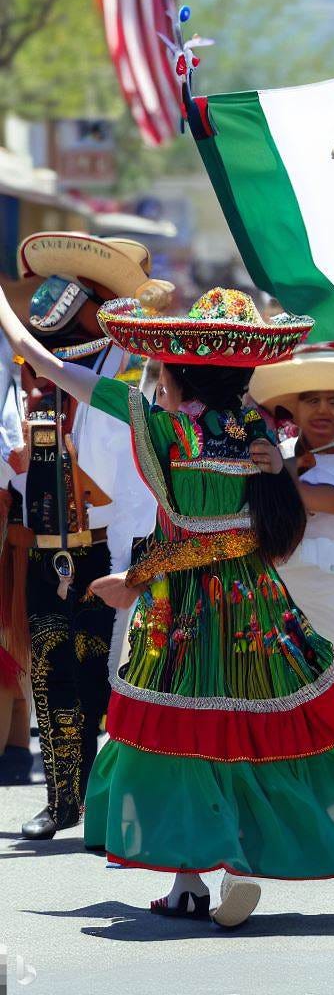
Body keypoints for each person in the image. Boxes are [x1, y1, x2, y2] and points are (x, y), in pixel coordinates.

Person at [0, 285, 334, 928]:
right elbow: (258, 536)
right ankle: (230, 862)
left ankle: (190, 880)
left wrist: (137, 577)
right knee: (260, 724)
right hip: (255, 605)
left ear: (174, 368)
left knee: (180, 731)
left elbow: (43, 363)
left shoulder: (159, 422)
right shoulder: (257, 431)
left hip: (180, 608)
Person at [2, 232, 165, 839]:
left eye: (87, 297)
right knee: (49, 673)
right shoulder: (28, 372)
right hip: (45, 543)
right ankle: (62, 798)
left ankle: (107, 798)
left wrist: (131, 560)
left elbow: (129, 474)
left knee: (106, 677)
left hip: (111, 546)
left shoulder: (134, 371)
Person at [248, 349, 334, 676]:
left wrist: (283, 475)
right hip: (291, 586)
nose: (323, 410)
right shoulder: (279, 452)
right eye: (312, 401)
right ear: (293, 410)